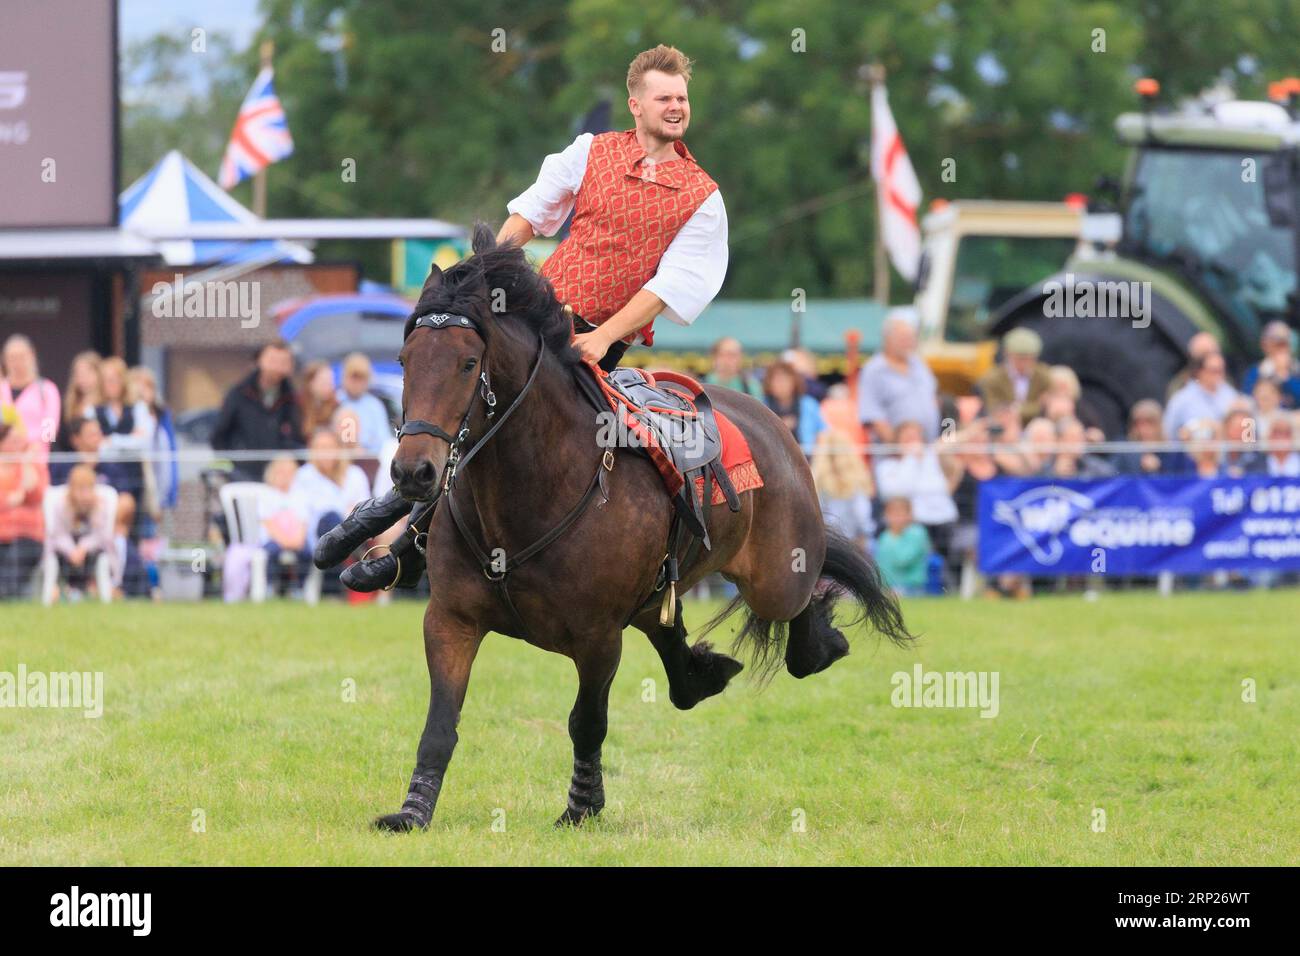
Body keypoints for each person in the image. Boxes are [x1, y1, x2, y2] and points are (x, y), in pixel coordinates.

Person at [328, 44, 732, 592]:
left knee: (512, 427)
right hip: (530, 307)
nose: (676, 107)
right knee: (456, 389)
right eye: (664, 98)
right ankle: (396, 518)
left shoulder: (703, 197)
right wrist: (483, 270)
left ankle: (403, 543)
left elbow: (669, 288)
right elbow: (535, 212)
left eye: (682, 97)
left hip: (597, 335)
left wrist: (602, 338)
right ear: (636, 104)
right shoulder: (592, 150)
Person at [211, 340, 304, 482]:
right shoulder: (239, 394)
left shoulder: (291, 398)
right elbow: (220, 434)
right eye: (273, 360)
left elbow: (297, 436)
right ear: (259, 360)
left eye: (284, 361)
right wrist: (235, 461)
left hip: (281, 476)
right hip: (245, 473)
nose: (278, 366)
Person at [874, 419, 958, 557]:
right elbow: (895, 492)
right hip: (913, 525)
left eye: (915, 437)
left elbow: (951, 440)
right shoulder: (887, 466)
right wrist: (911, 459)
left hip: (943, 521)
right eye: (907, 438)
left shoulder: (932, 457)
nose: (913, 442)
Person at [857, 313, 940, 443]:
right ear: (887, 340)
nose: (909, 343)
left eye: (911, 338)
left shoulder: (919, 364)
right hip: (895, 455)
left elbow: (935, 400)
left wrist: (947, 441)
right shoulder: (874, 370)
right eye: (903, 338)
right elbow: (873, 418)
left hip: (930, 451)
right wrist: (900, 448)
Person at [45, 464, 117, 601]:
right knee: (59, 558)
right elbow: (58, 534)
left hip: (90, 551)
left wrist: (83, 548)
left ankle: (83, 589)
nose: (85, 494)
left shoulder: (100, 506)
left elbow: (100, 535)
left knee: (96, 557)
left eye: (89, 488)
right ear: (71, 488)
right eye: (80, 489)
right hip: (66, 551)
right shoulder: (61, 505)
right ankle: (65, 589)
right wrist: (72, 550)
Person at [291, 429, 371, 553]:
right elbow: (302, 512)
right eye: (321, 448)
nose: (325, 453)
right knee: (331, 518)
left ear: (338, 449)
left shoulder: (355, 474)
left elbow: (365, 506)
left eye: (329, 447)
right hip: (318, 533)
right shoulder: (304, 475)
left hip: (353, 529)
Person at [0, 409, 46, 598]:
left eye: (19, 440)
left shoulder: (32, 465)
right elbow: (14, 498)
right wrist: (8, 500)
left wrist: (26, 463)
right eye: (11, 441)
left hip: (26, 534)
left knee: (15, 563)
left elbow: (35, 495)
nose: (17, 444)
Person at [810, 429, 875, 555]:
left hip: (827, 545)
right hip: (853, 545)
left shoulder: (816, 484)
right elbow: (862, 515)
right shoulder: (857, 482)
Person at [0, 334, 61, 462]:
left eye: (22, 357)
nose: (17, 363)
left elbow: (49, 432)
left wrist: (25, 442)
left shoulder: (47, 390)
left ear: (32, 355)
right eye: (12, 358)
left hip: (36, 462)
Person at [976, 328, 1052, 425]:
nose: (1024, 362)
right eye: (1019, 358)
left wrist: (1014, 409)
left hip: (1036, 425)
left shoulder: (1044, 376)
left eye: (1029, 358)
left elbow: (1046, 406)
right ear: (1007, 354)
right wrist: (1031, 407)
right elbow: (995, 410)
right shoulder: (992, 379)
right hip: (1004, 425)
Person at [259, 455, 312, 593]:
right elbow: (268, 523)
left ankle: (300, 588)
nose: (285, 477)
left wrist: (297, 540)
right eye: (281, 472)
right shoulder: (267, 495)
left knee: (307, 553)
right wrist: (284, 541)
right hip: (273, 539)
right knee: (272, 553)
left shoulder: (300, 495)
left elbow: (303, 522)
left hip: (296, 538)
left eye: (289, 473)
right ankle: (270, 586)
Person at [1163, 352, 1239, 442]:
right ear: (1200, 372)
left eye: (1221, 370)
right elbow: (1168, 432)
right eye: (1214, 371)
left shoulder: (1231, 395)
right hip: (1190, 453)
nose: (1219, 375)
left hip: (1224, 453)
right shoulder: (1181, 400)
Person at [763, 360, 825, 453]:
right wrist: (781, 427)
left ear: (794, 381)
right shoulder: (762, 406)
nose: (782, 384)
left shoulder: (808, 404)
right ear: (769, 383)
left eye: (785, 379)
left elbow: (824, 431)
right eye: (777, 380)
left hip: (806, 457)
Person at [874, 497, 931, 597]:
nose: (896, 518)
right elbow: (880, 563)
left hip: (911, 587)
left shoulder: (916, 533)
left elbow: (903, 561)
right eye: (892, 514)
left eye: (900, 514)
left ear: (910, 515)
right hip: (886, 587)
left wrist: (894, 537)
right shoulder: (885, 535)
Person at [336, 353, 391, 455]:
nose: (357, 384)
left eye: (361, 379)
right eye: (353, 378)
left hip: (369, 461)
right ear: (344, 377)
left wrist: (365, 452)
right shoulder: (335, 402)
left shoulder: (375, 406)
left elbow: (384, 441)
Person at [1114, 399, 1183, 475]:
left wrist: (1157, 470)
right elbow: (1110, 477)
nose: (1142, 430)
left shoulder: (1173, 452)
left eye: (1150, 423)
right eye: (1137, 424)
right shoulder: (1124, 451)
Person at [1241, 320, 1299, 409]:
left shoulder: (1296, 370)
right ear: (1265, 345)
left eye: (1286, 343)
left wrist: (1285, 376)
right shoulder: (1256, 372)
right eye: (1278, 344)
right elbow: (1247, 401)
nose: (1283, 348)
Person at [54, 350, 102, 453]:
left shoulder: (107, 406)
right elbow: (53, 436)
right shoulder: (66, 406)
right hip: (71, 460)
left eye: (88, 372)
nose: (83, 378)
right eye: (78, 374)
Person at [299, 361, 340, 437]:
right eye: (323, 382)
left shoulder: (337, 406)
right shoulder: (297, 405)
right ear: (310, 382)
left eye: (330, 382)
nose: (328, 386)